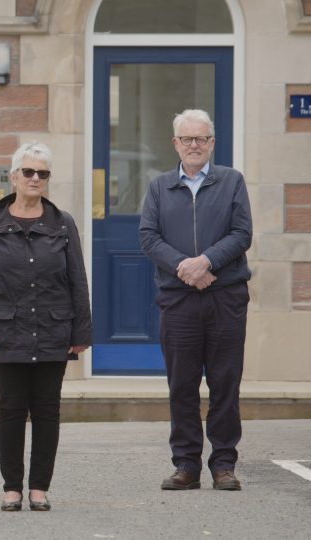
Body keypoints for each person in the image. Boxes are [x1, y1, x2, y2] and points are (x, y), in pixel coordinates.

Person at [0, 141, 92, 512]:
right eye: (29, 172)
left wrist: (81, 333)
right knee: (10, 409)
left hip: (54, 328)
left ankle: (39, 487)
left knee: (47, 410)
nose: (36, 178)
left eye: (43, 173)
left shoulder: (63, 223)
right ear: (14, 176)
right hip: (8, 330)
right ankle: (11, 488)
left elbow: (77, 280)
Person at [139, 109, 252, 492]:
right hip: (178, 301)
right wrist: (183, 267)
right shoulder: (158, 187)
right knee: (182, 385)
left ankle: (224, 464)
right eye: (186, 139)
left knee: (225, 382)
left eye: (201, 139)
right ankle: (186, 465)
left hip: (226, 298)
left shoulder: (232, 182)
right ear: (175, 144)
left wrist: (206, 262)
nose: (194, 145)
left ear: (212, 143)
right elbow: (149, 237)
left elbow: (241, 234)